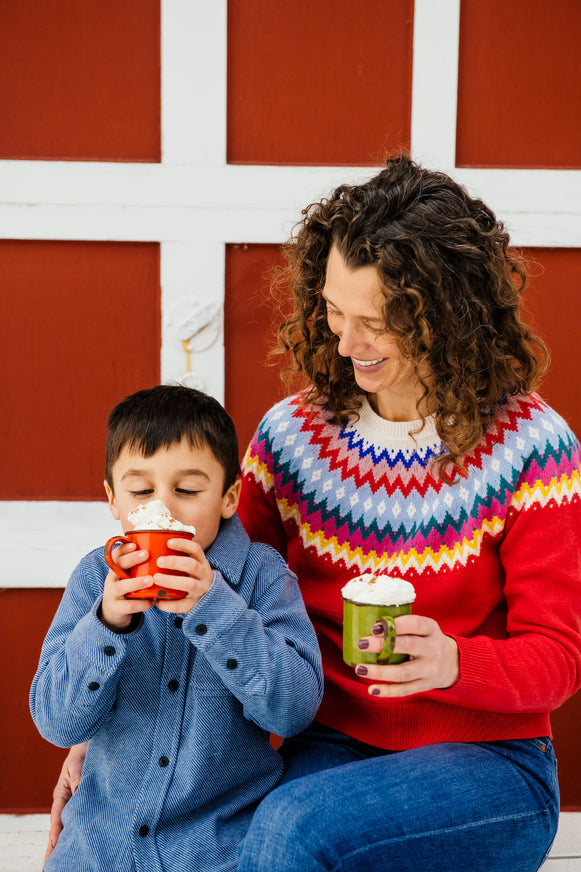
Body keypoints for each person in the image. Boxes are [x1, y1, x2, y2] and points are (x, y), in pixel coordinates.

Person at [46, 154, 581, 871]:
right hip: (326, 745)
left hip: (489, 765)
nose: (344, 342)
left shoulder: (532, 449)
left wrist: (454, 662)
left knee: (295, 828)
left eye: (377, 322)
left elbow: (559, 658)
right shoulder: (293, 437)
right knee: (234, 840)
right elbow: (220, 589)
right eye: (332, 309)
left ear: (446, 315)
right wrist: (110, 735)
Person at [30, 385, 323, 872]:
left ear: (229, 497)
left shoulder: (261, 576)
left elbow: (292, 710)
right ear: (113, 501)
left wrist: (214, 608)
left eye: (187, 490)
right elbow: (56, 721)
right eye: (141, 492)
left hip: (217, 849)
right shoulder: (93, 580)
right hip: (99, 849)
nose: (163, 509)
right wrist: (106, 625)